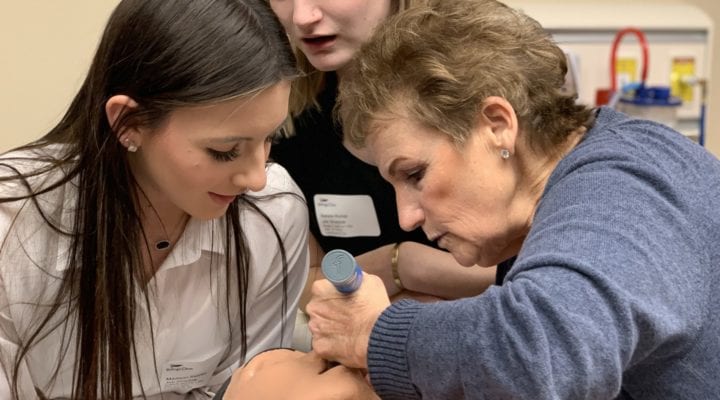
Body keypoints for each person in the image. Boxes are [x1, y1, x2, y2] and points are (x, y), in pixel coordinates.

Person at [236, 0, 720, 398]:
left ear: (497, 125)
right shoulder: (578, 182)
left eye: (415, 174)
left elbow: (540, 354)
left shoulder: (621, 191)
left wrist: (374, 333)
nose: (407, 216)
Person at [0, 0, 316, 398]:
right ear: (127, 123)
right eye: (224, 150)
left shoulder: (273, 212)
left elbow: (253, 384)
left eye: (269, 138)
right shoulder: (12, 221)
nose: (255, 178)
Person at [266, 0, 497, 307]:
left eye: (416, 173)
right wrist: (399, 264)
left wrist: (409, 273)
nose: (302, 17)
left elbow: (535, 271)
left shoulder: (486, 95)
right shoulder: (288, 121)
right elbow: (308, 285)